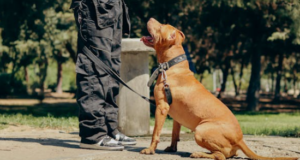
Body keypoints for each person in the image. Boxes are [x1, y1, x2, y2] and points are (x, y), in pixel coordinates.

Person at [70, 0, 136, 150]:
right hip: (94, 6)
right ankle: (93, 134)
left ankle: (109, 129)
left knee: (111, 70)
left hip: (114, 5)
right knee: (94, 68)